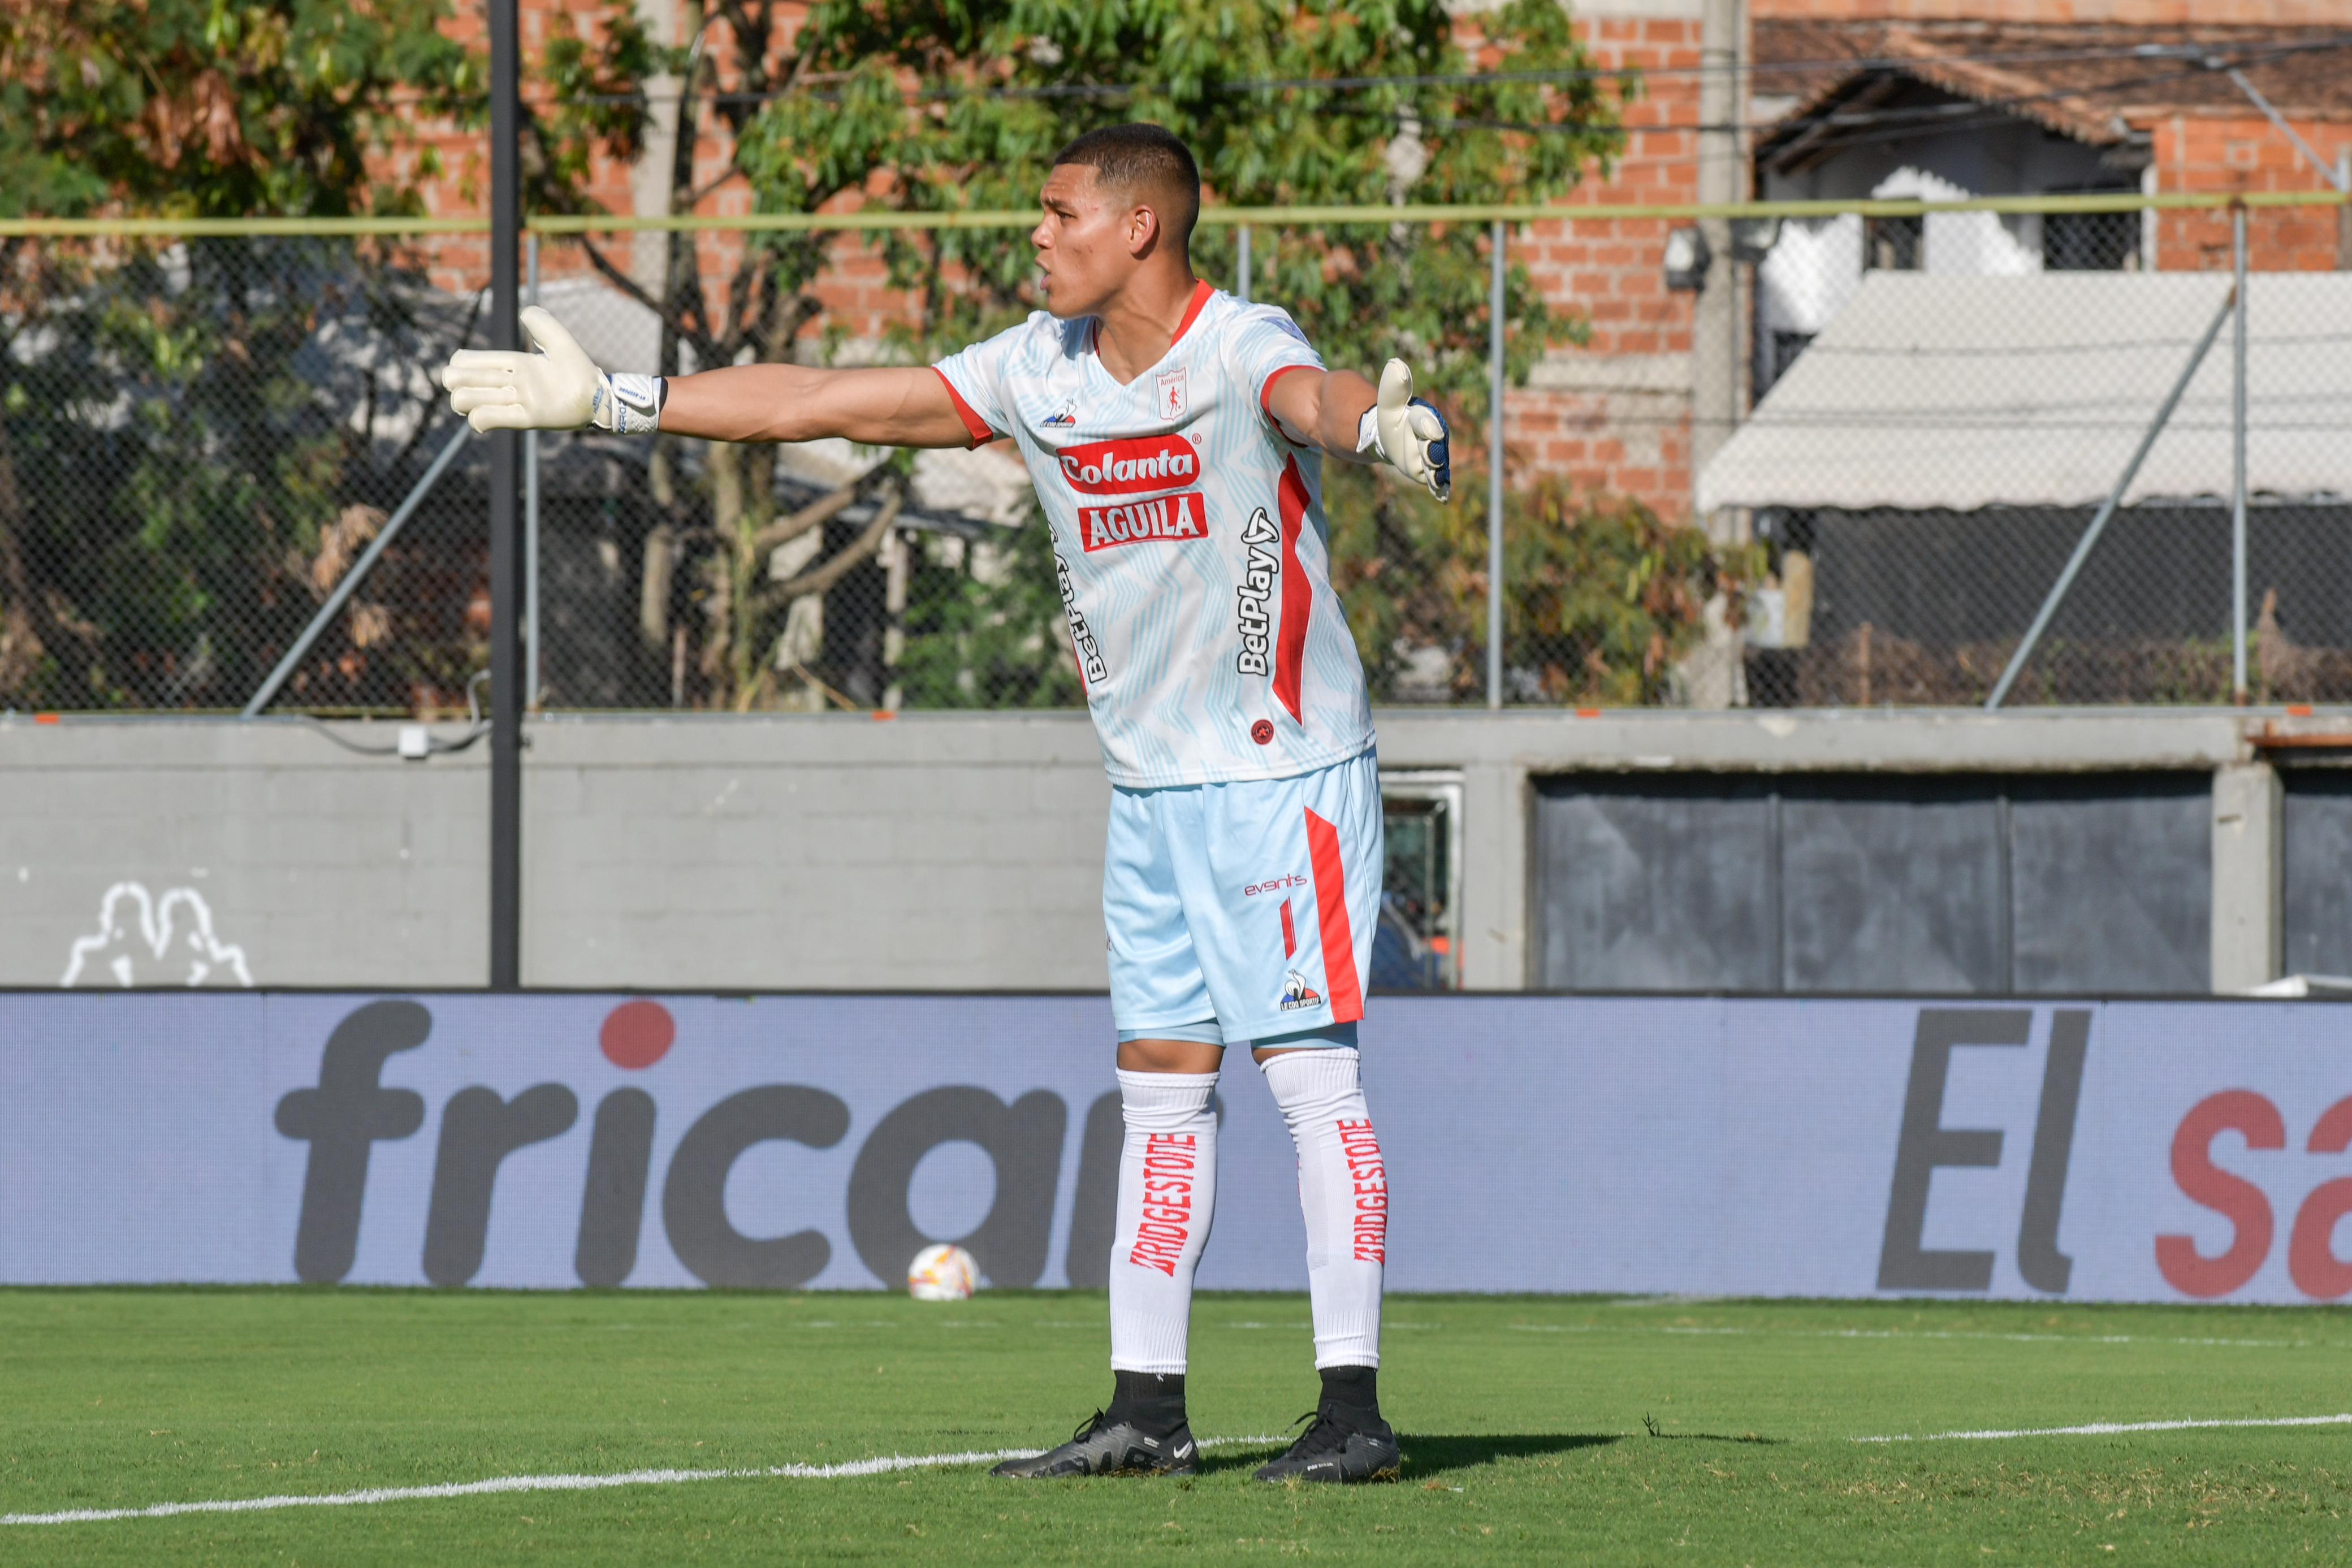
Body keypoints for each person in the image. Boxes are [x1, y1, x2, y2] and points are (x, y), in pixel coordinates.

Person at [443, 122, 1451, 1485]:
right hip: (1150, 789)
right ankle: (1145, 1409)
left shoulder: (1234, 344)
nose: (1035, 234)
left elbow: (1309, 398)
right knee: (1158, 1094)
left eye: (1058, 211)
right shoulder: (1034, 370)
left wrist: (1382, 427)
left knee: (1310, 1081)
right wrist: (618, 400)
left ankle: (1355, 1414)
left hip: (1284, 779)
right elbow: (821, 401)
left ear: (1139, 228)